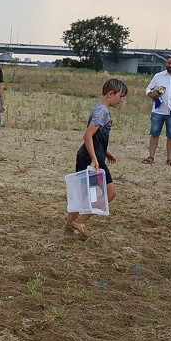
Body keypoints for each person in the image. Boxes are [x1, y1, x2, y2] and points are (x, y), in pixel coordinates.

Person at [65, 78, 128, 239]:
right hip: (91, 158)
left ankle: (69, 228)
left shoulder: (100, 109)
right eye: (120, 96)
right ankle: (79, 222)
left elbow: (96, 138)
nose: (122, 100)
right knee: (111, 192)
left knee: (83, 195)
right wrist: (95, 158)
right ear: (110, 94)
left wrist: (106, 153)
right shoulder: (103, 112)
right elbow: (87, 135)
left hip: (88, 156)